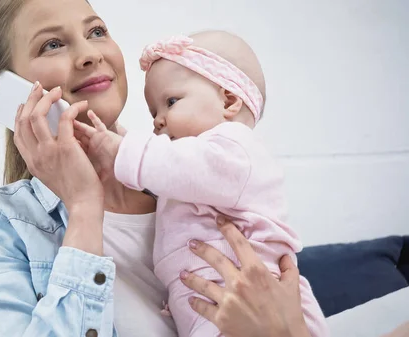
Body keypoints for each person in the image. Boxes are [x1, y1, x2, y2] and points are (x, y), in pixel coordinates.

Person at [0, 0, 349, 336]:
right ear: (8, 94)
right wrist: (84, 208)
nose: (90, 54)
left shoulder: (201, 178)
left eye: (97, 31)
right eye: (52, 44)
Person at [72, 32, 329, 336]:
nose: (157, 120)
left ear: (229, 100)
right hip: (217, 303)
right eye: (154, 112)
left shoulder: (236, 149)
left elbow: (176, 166)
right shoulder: (199, 169)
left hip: (257, 303)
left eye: (171, 102)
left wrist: (119, 150)